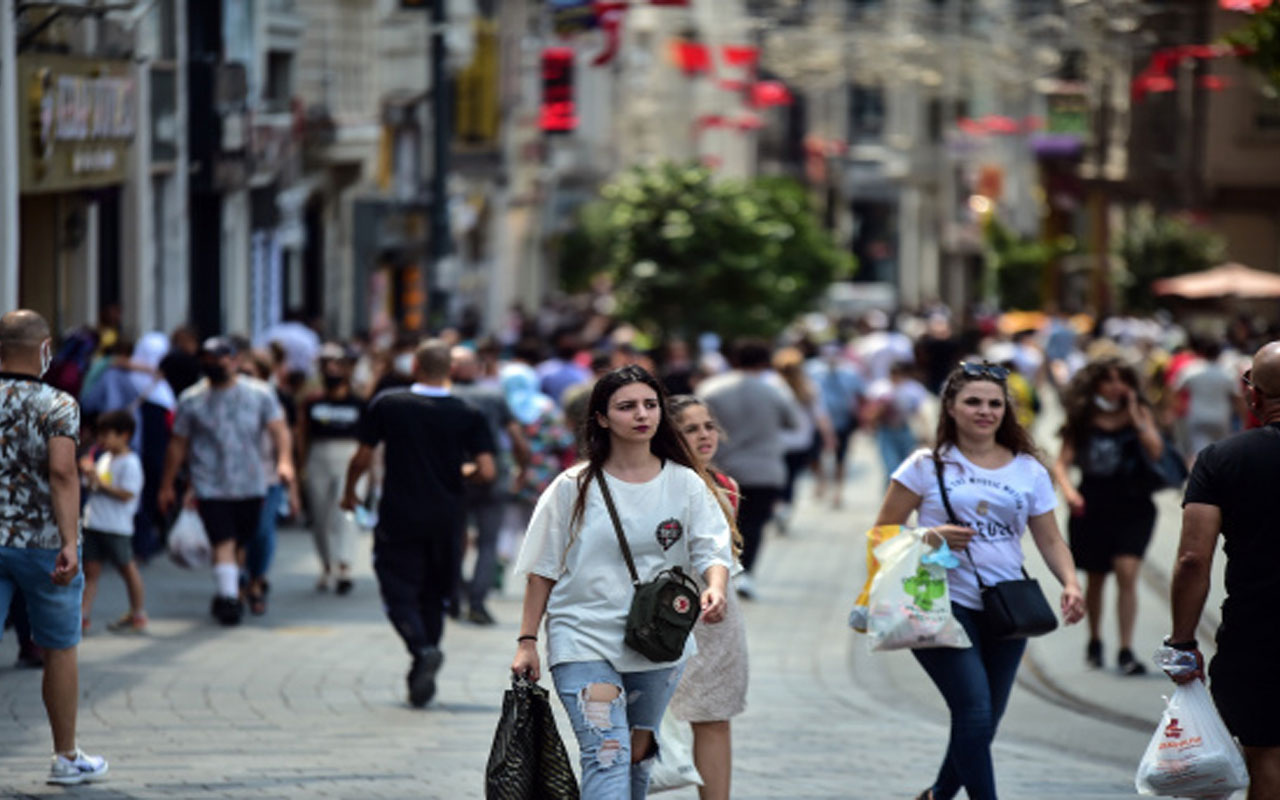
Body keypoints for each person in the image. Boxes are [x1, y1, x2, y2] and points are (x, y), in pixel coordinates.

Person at [509, 366, 733, 800]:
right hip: (582, 639)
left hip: (659, 643)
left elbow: (711, 547)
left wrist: (715, 586)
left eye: (649, 405)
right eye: (627, 406)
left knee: (635, 750)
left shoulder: (684, 483)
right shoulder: (571, 487)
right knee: (606, 751)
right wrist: (527, 639)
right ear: (602, 418)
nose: (641, 414)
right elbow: (542, 569)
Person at [872, 362, 1084, 800]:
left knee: (986, 717)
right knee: (973, 712)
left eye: (994, 403)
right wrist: (927, 536)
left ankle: (937, 796)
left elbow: (1049, 537)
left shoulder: (1028, 469)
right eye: (973, 402)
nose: (985, 411)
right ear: (950, 407)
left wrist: (1070, 582)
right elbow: (881, 534)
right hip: (938, 603)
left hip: (1007, 605)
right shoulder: (924, 466)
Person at [341, 339, 496, 708]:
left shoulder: (389, 404)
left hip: (399, 514)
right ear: (451, 371)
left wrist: (350, 492)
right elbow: (487, 471)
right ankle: (423, 659)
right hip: (447, 518)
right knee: (435, 593)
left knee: (397, 589)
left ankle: (421, 649)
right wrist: (463, 470)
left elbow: (362, 456)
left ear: (415, 367)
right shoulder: (467, 411)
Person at [1166, 341, 1280, 800]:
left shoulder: (1221, 460)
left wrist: (1182, 640)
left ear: (1251, 395)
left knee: (1267, 755)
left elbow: (1193, 559)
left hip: (1258, 635)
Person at [0, 309, 109, 784]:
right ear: (44, 349)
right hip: (44, 544)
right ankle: (65, 757)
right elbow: (63, 472)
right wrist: (70, 540)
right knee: (59, 646)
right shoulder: (57, 403)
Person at [157, 337, 295, 626]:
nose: (216, 363)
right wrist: (167, 484)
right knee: (223, 539)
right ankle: (229, 598)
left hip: (251, 482)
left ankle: (235, 586)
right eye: (208, 358)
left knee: (243, 539)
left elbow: (280, 430)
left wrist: (284, 461)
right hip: (210, 483)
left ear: (235, 360)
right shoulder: (191, 399)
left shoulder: (260, 394)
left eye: (222, 357)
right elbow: (177, 444)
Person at [1050, 356, 1165, 675]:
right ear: (1096, 384)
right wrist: (1070, 493)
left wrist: (1135, 417)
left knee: (1127, 572)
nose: (1117, 387)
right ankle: (1095, 640)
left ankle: (1126, 649)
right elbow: (1062, 462)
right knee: (1096, 577)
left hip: (1133, 503)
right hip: (1093, 503)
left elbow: (1156, 451)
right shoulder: (1084, 416)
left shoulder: (1138, 413)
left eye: (1122, 380)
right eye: (1109, 380)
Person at [665, 395, 748, 800]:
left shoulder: (725, 486)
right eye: (690, 429)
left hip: (714, 615)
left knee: (714, 716)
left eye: (708, 426)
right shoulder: (653, 482)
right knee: (642, 721)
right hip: (660, 610)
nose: (704, 435)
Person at [696, 339, 799, 600]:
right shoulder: (775, 391)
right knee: (753, 525)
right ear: (765, 362)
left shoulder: (710, 389)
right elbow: (793, 422)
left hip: (721, 467)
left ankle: (721, 574)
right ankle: (747, 573)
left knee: (722, 525)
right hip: (764, 468)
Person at [450, 345, 529, 624]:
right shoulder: (493, 395)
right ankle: (477, 601)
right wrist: (523, 467)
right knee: (488, 542)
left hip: (453, 475)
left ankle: (455, 596)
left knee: (453, 539)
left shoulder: (445, 396)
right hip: (492, 472)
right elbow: (516, 437)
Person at [298, 344, 365, 595]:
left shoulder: (359, 402)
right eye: (328, 366)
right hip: (319, 455)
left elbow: (370, 439)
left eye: (338, 366)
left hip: (350, 454)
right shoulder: (312, 401)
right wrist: (300, 466)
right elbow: (302, 435)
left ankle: (344, 566)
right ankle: (327, 565)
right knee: (321, 515)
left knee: (346, 513)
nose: (333, 370)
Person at [78, 410, 148, 634]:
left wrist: (99, 482)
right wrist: (89, 477)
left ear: (124, 435)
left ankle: (137, 613)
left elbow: (128, 493)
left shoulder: (131, 463)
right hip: (94, 522)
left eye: (107, 435)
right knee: (90, 572)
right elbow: (93, 487)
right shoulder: (104, 458)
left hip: (117, 526)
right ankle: (82, 616)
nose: (102, 441)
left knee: (127, 569)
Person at [806, 342, 866, 509]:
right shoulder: (811, 370)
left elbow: (861, 394)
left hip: (843, 420)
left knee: (841, 456)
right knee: (813, 455)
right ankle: (820, 480)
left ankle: (838, 491)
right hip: (817, 421)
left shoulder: (851, 372)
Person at [863, 361, 929, 488]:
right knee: (891, 466)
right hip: (886, 431)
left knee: (907, 467)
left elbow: (920, 412)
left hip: (904, 430)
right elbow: (870, 412)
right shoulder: (881, 389)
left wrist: (925, 433)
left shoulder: (913, 390)